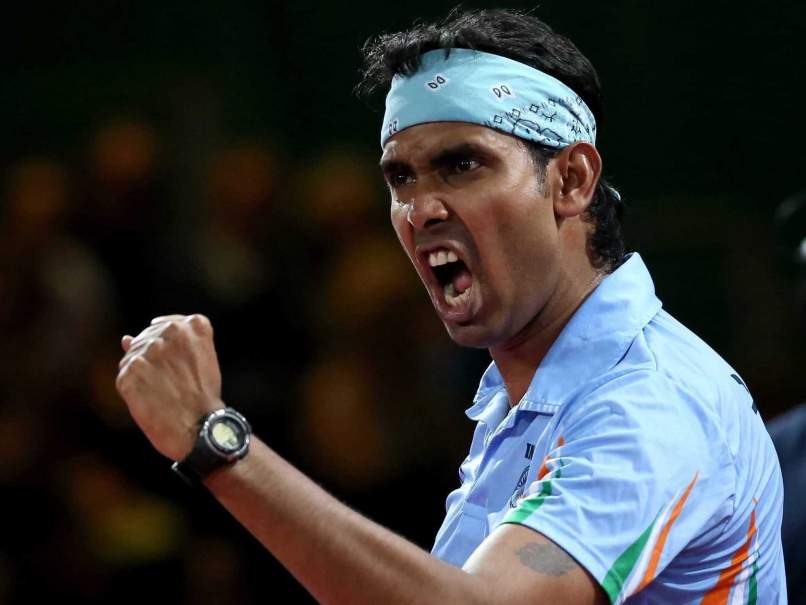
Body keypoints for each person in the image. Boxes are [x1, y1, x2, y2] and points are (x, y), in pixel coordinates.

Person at [115, 9, 786, 604]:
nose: (420, 209)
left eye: (462, 165)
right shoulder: (526, 391)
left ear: (571, 179)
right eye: (401, 178)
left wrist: (217, 443)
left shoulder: (648, 403)